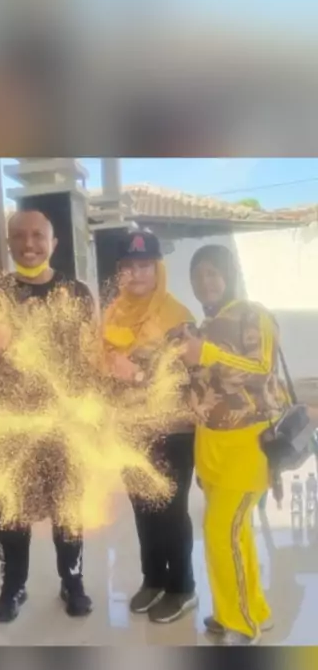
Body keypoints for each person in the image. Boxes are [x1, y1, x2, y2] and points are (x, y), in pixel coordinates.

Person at [0, 209, 95, 623]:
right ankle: (13, 587)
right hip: (13, 428)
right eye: (19, 235)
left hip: (65, 425)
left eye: (38, 235)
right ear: (8, 243)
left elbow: (91, 361)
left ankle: (72, 581)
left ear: (53, 242)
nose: (29, 243)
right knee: (13, 511)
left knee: (68, 508)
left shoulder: (77, 293)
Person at [183, 244, 283, 646]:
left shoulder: (253, 314)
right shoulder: (206, 324)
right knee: (235, 534)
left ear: (229, 274)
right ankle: (249, 609)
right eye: (197, 275)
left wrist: (205, 352)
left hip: (247, 445)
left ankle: (241, 625)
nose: (204, 282)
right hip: (212, 445)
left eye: (212, 272)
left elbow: (262, 368)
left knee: (219, 531)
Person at [103, 229, 198, 624]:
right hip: (129, 428)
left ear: (158, 269)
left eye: (144, 265)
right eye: (129, 266)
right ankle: (154, 578)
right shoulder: (113, 313)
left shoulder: (178, 316)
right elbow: (101, 364)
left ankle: (183, 587)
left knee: (171, 511)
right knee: (142, 508)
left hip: (172, 430)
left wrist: (138, 373)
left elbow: (190, 376)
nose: (137, 274)